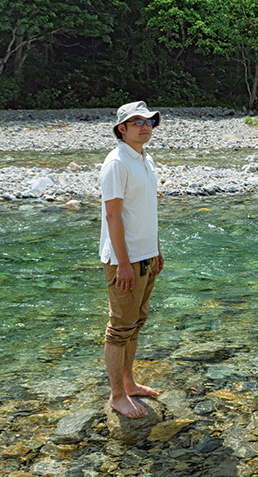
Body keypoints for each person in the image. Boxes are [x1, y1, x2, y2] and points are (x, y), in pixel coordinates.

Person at [99, 100, 164, 418]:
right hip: (124, 259)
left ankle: (129, 382)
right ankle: (116, 395)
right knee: (120, 328)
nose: (145, 126)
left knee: (136, 323)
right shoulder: (117, 162)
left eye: (149, 121)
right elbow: (113, 215)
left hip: (145, 256)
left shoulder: (144, 159)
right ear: (121, 128)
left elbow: (143, 211)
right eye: (137, 122)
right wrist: (123, 263)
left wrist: (155, 249)